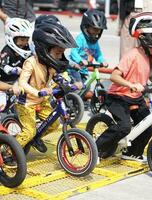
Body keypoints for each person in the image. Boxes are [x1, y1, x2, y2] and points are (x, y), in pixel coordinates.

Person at [96, 11, 152, 162]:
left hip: (136, 98)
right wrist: (130, 84)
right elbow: (114, 76)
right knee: (124, 127)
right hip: (118, 97)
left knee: (147, 126)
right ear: (146, 37)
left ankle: (132, 153)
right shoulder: (132, 55)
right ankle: (97, 148)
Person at [16, 21, 77, 153]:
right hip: (27, 102)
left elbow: (56, 77)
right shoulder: (31, 63)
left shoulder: (50, 63)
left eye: (62, 53)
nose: (60, 57)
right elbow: (22, 83)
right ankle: (9, 151)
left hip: (42, 100)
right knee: (29, 131)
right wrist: (37, 92)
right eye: (58, 53)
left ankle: (35, 139)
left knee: (54, 124)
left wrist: (68, 84)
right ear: (44, 49)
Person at [69, 9, 108, 85]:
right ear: (86, 26)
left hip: (84, 70)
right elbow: (73, 51)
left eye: (99, 30)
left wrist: (102, 61)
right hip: (74, 68)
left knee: (87, 88)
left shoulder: (95, 42)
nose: (96, 32)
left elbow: (98, 54)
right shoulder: (81, 38)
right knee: (78, 86)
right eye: (94, 29)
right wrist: (80, 60)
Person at [0, 18, 33, 85]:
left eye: (27, 40)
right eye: (22, 40)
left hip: (17, 82)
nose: (24, 43)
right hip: (3, 84)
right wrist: (14, 70)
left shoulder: (26, 49)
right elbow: (3, 65)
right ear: (12, 38)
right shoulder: (7, 51)